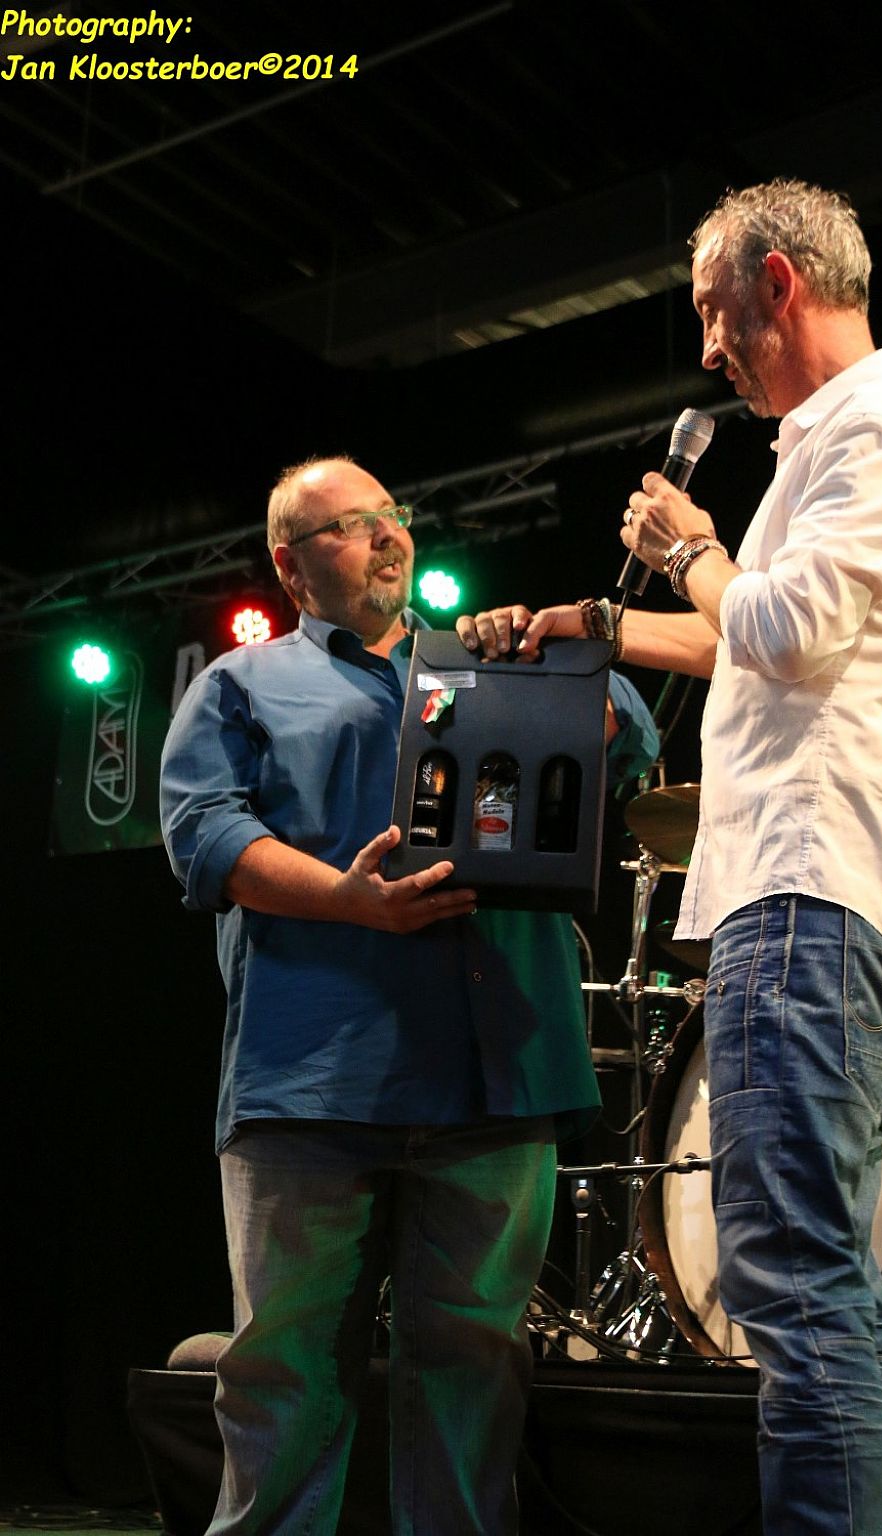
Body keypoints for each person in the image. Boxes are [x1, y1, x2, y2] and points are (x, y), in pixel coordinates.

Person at [457, 179, 882, 1536]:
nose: (707, 349)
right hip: (814, 894)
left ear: (778, 284)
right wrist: (596, 623)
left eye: (712, 312)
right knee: (803, 1285)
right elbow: (748, 631)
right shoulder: (839, 441)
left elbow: (784, 629)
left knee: (794, 1286)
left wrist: (690, 545)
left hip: (812, 891)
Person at [159, 454, 657, 1536]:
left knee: (475, 1381)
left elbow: (627, 732)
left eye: (391, 516)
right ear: (291, 567)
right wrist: (350, 902)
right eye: (349, 525)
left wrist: (556, 665)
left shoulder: (489, 657)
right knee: (284, 1382)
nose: (386, 536)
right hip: (314, 1083)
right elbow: (205, 835)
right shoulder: (241, 685)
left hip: (494, 1080)